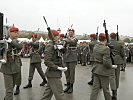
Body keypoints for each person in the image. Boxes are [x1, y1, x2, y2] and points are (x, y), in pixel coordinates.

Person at [41, 29, 67, 100]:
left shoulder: (55, 45)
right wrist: (58, 67)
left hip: (54, 73)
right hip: (53, 74)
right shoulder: (50, 46)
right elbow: (47, 61)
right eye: (57, 36)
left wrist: (62, 49)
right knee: (60, 94)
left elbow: (62, 54)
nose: (58, 38)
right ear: (54, 37)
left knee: (47, 95)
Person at [0, 26, 23, 100]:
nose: (17, 34)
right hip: (7, 68)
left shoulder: (16, 41)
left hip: (16, 67)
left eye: (17, 33)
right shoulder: (4, 41)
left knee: (12, 87)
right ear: (10, 33)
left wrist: (11, 42)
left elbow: (20, 46)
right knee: (9, 91)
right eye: (15, 32)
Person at [90, 33, 112, 100]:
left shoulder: (95, 47)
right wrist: (111, 66)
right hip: (103, 71)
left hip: (96, 69)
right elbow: (106, 62)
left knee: (95, 89)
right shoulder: (106, 49)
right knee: (106, 90)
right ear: (105, 39)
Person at [109, 32, 125, 100]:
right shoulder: (119, 43)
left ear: (110, 36)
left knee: (112, 76)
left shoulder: (108, 42)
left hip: (110, 60)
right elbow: (123, 54)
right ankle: (116, 91)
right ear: (116, 37)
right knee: (117, 76)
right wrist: (123, 62)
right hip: (118, 60)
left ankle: (113, 91)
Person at [63, 29, 78, 94]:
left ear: (73, 33)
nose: (70, 33)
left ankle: (71, 86)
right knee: (67, 72)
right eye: (69, 32)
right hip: (66, 56)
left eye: (71, 32)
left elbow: (72, 42)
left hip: (72, 57)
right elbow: (64, 46)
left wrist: (65, 39)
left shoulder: (75, 38)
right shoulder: (67, 39)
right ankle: (68, 85)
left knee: (72, 73)